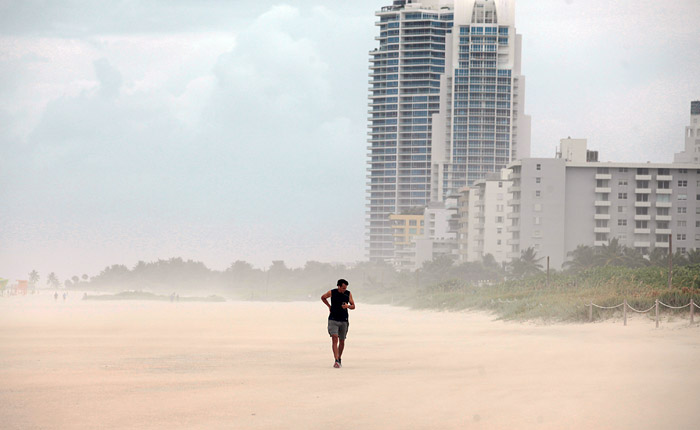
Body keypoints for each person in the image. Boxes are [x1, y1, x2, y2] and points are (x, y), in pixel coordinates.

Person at [321, 279, 355, 368]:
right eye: (343, 288)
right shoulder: (332, 292)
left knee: (342, 340)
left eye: (345, 288)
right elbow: (323, 297)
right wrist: (329, 306)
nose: (344, 290)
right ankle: (336, 360)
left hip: (344, 320)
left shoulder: (348, 293)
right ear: (338, 286)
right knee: (334, 338)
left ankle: (339, 358)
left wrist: (348, 306)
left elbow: (353, 306)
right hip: (333, 319)